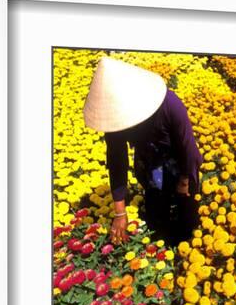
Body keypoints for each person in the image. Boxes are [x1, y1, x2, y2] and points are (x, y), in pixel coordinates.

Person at [83, 56, 203, 246]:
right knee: (156, 213)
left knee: (188, 215)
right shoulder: (115, 119)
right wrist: (120, 212)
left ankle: (185, 244)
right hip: (150, 164)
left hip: (179, 163)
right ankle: (162, 241)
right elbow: (117, 162)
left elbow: (188, 150)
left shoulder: (170, 104)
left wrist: (185, 181)